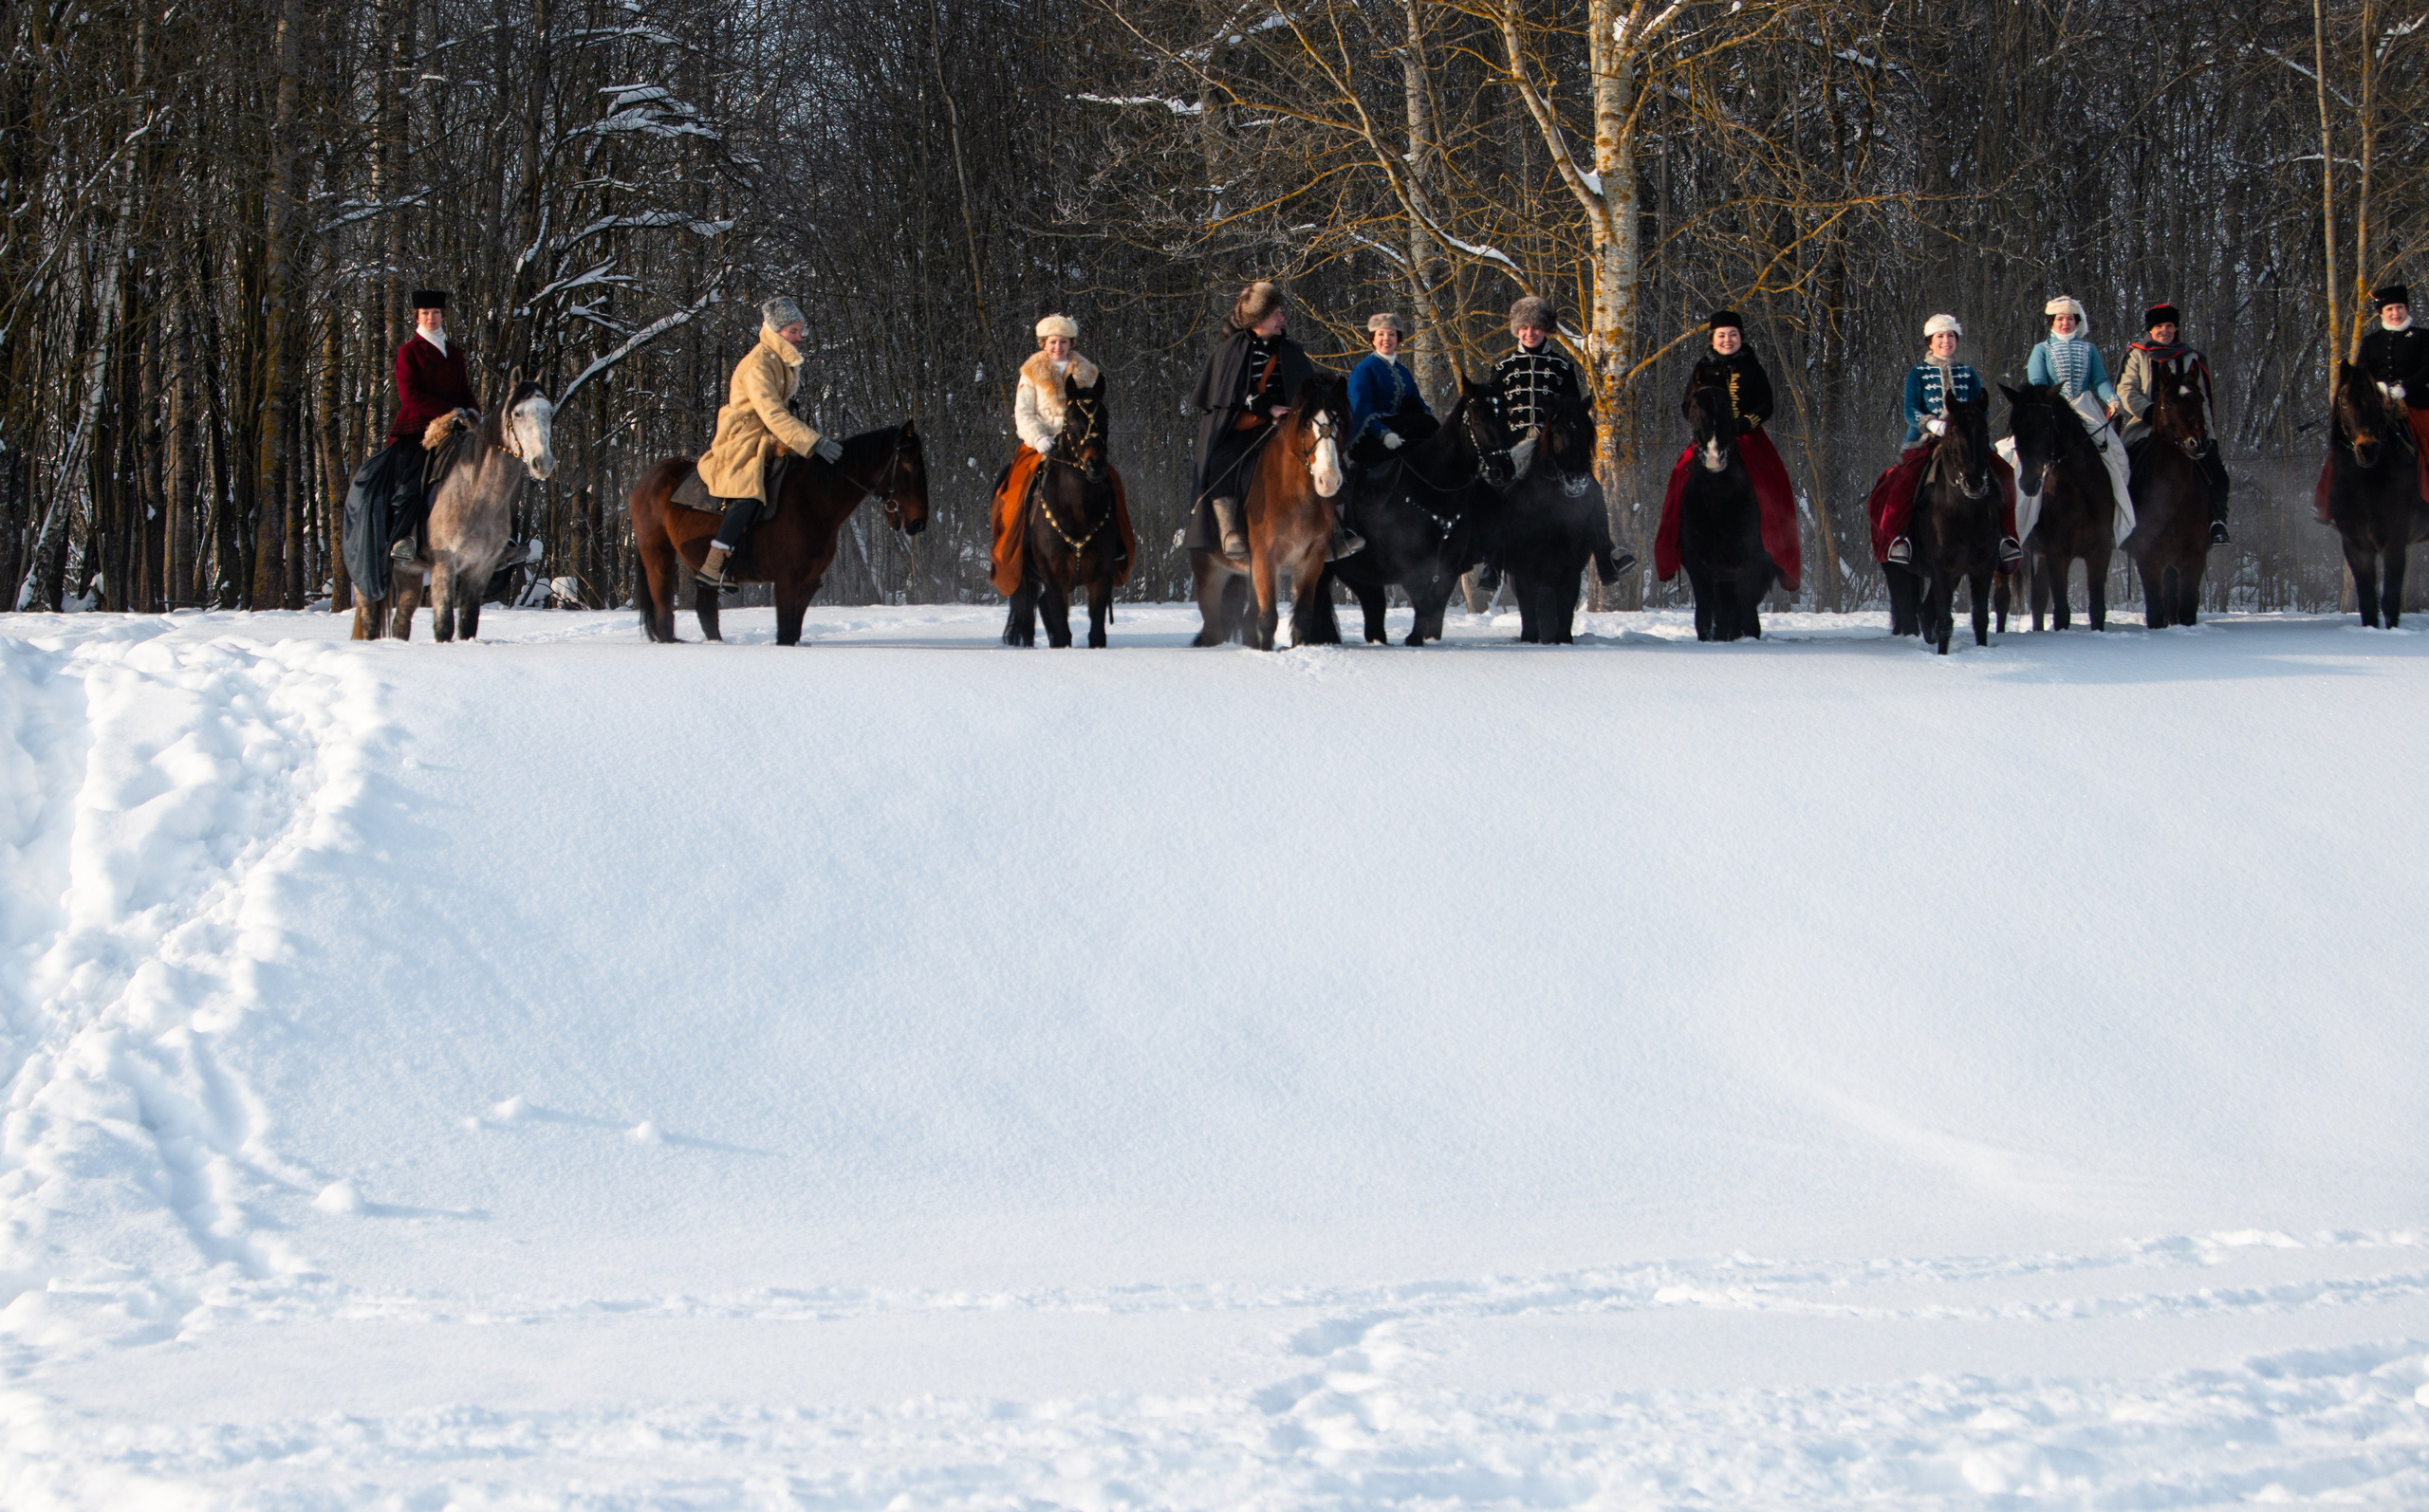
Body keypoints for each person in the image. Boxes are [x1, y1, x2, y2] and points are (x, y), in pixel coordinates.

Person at [1187, 281, 1352, 561]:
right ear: (1259, 319)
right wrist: (1266, 408)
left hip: (1288, 429)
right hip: (1245, 428)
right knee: (1220, 463)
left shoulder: (1291, 351)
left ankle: (1335, 530)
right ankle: (1229, 532)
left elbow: (1306, 390)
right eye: (1276, 313)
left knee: (1330, 458)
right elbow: (1227, 395)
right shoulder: (1230, 352)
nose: (1282, 319)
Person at [695, 297, 842, 590]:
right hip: (744, 436)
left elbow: (776, 407)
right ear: (777, 331)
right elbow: (771, 413)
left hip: (768, 431)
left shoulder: (780, 359)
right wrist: (814, 442)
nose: (800, 338)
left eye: (801, 331)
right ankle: (714, 565)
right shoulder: (758, 364)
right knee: (748, 489)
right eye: (793, 331)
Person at [1485, 295, 1632, 585]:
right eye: (1525, 327)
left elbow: (1574, 410)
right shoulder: (1503, 366)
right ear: (1517, 330)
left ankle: (1606, 556)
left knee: (1591, 490)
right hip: (1515, 447)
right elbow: (1494, 413)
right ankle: (1492, 560)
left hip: (1554, 449)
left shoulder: (1562, 367)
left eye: (1537, 327)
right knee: (1491, 491)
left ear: (1546, 330)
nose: (1530, 333)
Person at [989, 313, 1136, 597]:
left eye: (1064, 342)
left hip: (1080, 446)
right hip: (1040, 446)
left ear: (1071, 343)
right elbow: (1023, 412)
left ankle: (1117, 546)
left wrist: (1087, 440)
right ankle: (1011, 550)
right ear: (1044, 343)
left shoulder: (1087, 372)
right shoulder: (1031, 372)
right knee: (1014, 492)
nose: (1058, 347)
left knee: (1113, 482)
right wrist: (1039, 438)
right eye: (1053, 341)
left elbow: (1093, 412)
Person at [1653, 310, 1800, 592]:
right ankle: (1669, 555)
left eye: (1733, 334)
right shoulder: (1702, 368)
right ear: (1713, 338)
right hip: (1708, 437)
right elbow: (1688, 405)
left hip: (1746, 438)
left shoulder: (1752, 367)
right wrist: (1705, 426)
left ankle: (1780, 553)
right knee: (1679, 479)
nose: (1727, 340)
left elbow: (1766, 405)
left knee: (1773, 482)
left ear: (1741, 337)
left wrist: (1744, 423)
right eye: (1722, 335)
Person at [1868, 313, 2021, 569]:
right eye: (1940, 336)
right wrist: (1931, 423)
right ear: (1930, 341)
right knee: (1905, 479)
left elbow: (1980, 409)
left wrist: (1970, 427)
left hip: (1966, 442)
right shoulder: (1917, 373)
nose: (1946, 341)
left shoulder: (1968, 373)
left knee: (2004, 472)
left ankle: (2007, 537)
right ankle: (1899, 537)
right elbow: (1909, 410)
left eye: (1951, 336)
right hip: (1926, 439)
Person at [1996, 296, 2133, 543]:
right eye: (2060, 319)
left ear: (2077, 321)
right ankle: (2018, 523)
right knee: (2013, 455)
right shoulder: (2042, 349)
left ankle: (2115, 518)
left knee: (2118, 454)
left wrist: (2112, 399)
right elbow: (2037, 384)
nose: (2066, 323)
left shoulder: (2089, 349)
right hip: (2049, 410)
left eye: (2070, 318)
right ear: (2052, 322)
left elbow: (2099, 380)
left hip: (2085, 408)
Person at [2117, 302, 2232, 543]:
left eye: (2169, 326)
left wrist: (2209, 436)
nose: (2164, 331)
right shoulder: (2138, 355)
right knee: (2120, 469)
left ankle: (2216, 521)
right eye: (2159, 326)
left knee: (2218, 473)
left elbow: (2202, 401)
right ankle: (2123, 523)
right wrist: (2150, 413)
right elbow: (2126, 391)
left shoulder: (2191, 358)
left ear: (2176, 328)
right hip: (2145, 426)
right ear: (2151, 330)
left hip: (2189, 429)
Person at [385, 289, 481, 562]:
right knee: (411, 483)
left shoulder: (454, 352)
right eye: (426, 313)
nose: (431, 317)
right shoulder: (409, 352)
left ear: (443, 315)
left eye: (436, 313)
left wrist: (474, 412)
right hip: (418, 427)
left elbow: (464, 389)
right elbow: (409, 395)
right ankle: (404, 539)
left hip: (458, 426)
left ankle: (498, 539)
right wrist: (449, 411)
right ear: (417, 316)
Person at [2355, 284, 2429, 506]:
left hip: (2415, 402)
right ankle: (2331, 502)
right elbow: (2362, 371)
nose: (2395, 313)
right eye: (2389, 309)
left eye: (2399, 308)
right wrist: (2378, 388)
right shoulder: (2371, 341)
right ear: (2381, 313)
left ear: (2406, 309)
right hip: (2377, 404)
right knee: (2345, 438)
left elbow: (2428, 368)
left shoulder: (2423, 337)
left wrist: (2404, 387)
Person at [1345, 312, 1437, 467]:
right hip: (1369, 436)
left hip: (1401, 429)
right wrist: (1384, 434)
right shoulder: (1364, 370)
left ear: (1398, 339)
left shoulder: (1404, 372)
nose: (1386, 339)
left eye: (1391, 334)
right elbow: (1360, 411)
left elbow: (1419, 404)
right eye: (1381, 334)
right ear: (1373, 339)